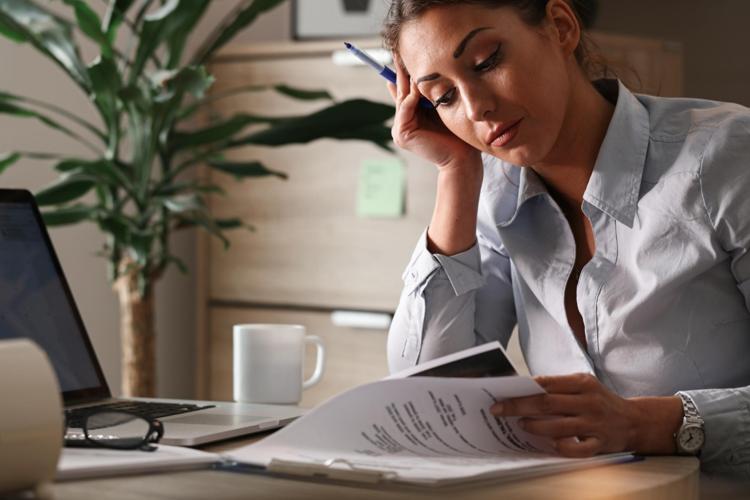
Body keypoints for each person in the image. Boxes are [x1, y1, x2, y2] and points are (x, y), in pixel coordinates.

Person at [382, 0, 750, 475]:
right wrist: (456, 171)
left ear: (560, 26)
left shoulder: (726, 158)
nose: (477, 108)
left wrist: (645, 424)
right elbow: (427, 390)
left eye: (486, 61)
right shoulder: (496, 195)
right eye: (444, 97)